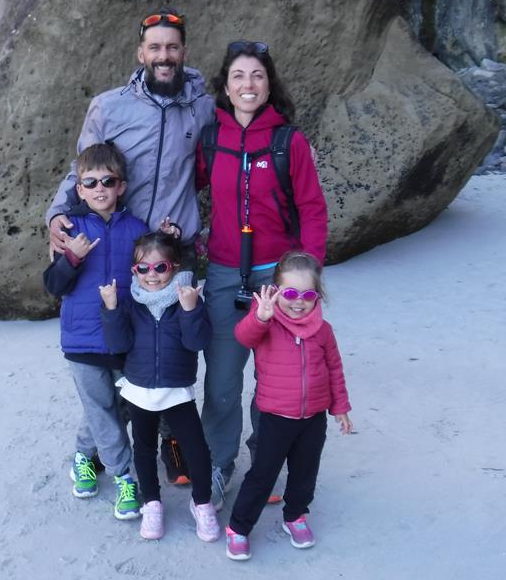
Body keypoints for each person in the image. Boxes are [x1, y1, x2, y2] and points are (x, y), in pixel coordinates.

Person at [47, 8, 215, 484]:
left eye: (173, 47)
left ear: (184, 52)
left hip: (178, 253)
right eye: (155, 47)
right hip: (127, 256)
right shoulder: (109, 106)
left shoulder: (201, 106)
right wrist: (56, 216)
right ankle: (98, 445)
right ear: (141, 53)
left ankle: (173, 444)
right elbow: (80, 168)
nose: (165, 56)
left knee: (175, 354)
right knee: (131, 361)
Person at [195, 40, 328, 507]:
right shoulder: (211, 138)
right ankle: (216, 466)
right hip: (225, 272)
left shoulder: (288, 141)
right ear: (225, 88)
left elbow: (312, 208)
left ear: (269, 85)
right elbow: (179, 187)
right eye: (238, 76)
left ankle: (264, 466)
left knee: (273, 382)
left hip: (277, 276)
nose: (248, 84)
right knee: (223, 381)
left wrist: (307, 272)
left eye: (256, 75)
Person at [223, 251, 352, 561]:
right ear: (276, 292)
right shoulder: (267, 323)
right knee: (262, 474)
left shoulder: (323, 330)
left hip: (314, 416)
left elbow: (334, 368)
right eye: (290, 293)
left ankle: (295, 515)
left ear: (317, 295)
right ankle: (238, 528)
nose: (298, 301)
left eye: (307, 294)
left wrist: (341, 408)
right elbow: (244, 336)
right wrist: (260, 316)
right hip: (275, 417)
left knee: (305, 471)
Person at [43, 143, 146, 520]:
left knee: (117, 407)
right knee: (102, 409)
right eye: (91, 182)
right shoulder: (68, 228)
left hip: (123, 336)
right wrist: (72, 258)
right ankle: (124, 477)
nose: (100, 188)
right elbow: (54, 285)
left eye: (108, 181)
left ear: (121, 186)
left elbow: (151, 273)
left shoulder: (137, 229)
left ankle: (83, 455)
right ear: (79, 189)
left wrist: (167, 237)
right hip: (82, 339)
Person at [99, 232, 220, 542]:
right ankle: (152, 503)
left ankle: (202, 503)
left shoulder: (186, 299)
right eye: (143, 269)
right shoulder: (130, 305)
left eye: (160, 268)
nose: (151, 275)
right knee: (144, 449)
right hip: (139, 391)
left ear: (175, 267)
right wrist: (111, 309)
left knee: (196, 449)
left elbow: (197, 342)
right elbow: (118, 345)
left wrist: (191, 308)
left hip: (177, 390)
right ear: (133, 271)